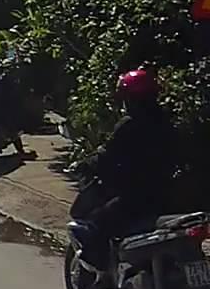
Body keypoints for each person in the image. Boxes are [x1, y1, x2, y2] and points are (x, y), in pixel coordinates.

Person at [76, 67, 178, 274]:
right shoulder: (166, 121)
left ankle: (105, 274)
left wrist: (87, 164)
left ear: (129, 98)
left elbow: (107, 155)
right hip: (168, 196)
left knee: (98, 223)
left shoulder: (129, 125)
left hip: (135, 198)